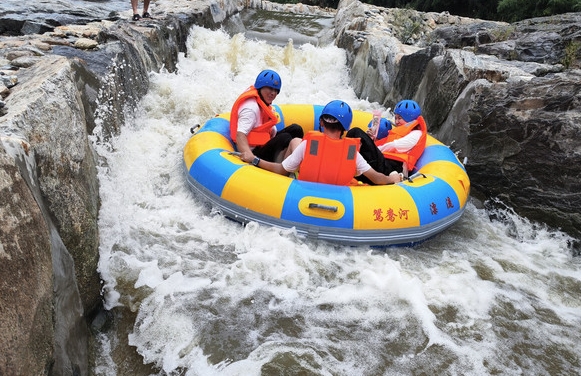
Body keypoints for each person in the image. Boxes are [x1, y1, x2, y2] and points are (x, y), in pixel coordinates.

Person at [241, 100, 402, 186]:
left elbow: (281, 170)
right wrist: (393, 179)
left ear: (321, 123)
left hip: (302, 194)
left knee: (296, 140)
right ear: (346, 128)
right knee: (296, 141)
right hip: (341, 202)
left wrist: (254, 159)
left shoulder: (309, 145)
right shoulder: (352, 152)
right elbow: (377, 178)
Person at [346, 99, 427, 184]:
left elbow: (394, 146)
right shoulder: (399, 132)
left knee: (356, 132)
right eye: (395, 118)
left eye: (399, 118)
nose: (396, 121)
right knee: (357, 140)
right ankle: (347, 162)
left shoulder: (416, 134)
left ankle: (346, 162)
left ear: (409, 118)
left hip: (393, 168)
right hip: (383, 164)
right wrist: (371, 141)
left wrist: (372, 147)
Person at [232, 69, 303, 164]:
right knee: (285, 137)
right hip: (255, 152)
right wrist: (250, 157)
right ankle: (283, 168)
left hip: (263, 143)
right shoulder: (251, 108)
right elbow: (240, 135)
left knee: (296, 129)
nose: (273, 93)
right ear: (260, 87)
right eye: (270, 88)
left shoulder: (263, 102)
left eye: (275, 90)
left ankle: (294, 163)